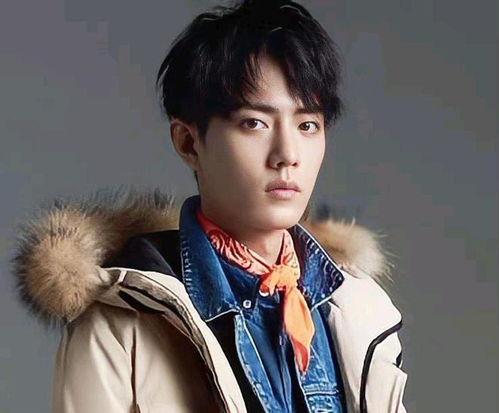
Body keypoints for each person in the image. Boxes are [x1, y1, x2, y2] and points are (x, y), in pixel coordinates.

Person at [11, 1, 408, 412]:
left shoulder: (358, 309)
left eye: (307, 125)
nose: (288, 155)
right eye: (255, 123)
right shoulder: (120, 322)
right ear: (188, 142)